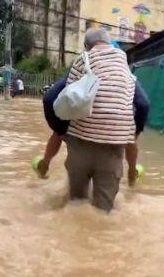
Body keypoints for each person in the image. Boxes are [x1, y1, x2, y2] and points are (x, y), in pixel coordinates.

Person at [50, 28, 145, 212]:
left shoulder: (83, 59)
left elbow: (69, 100)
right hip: (115, 145)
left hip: (80, 144)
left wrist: (62, 133)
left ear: (86, 46)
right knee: (103, 212)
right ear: (109, 44)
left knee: (76, 205)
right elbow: (142, 104)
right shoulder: (125, 65)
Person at [40, 74, 149, 186]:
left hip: (81, 131)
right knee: (129, 133)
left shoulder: (82, 70)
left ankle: (45, 163)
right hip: (112, 131)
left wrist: (60, 130)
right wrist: (135, 133)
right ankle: (132, 174)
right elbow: (143, 104)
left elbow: (49, 99)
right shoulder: (125, 76)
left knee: (59, 131)